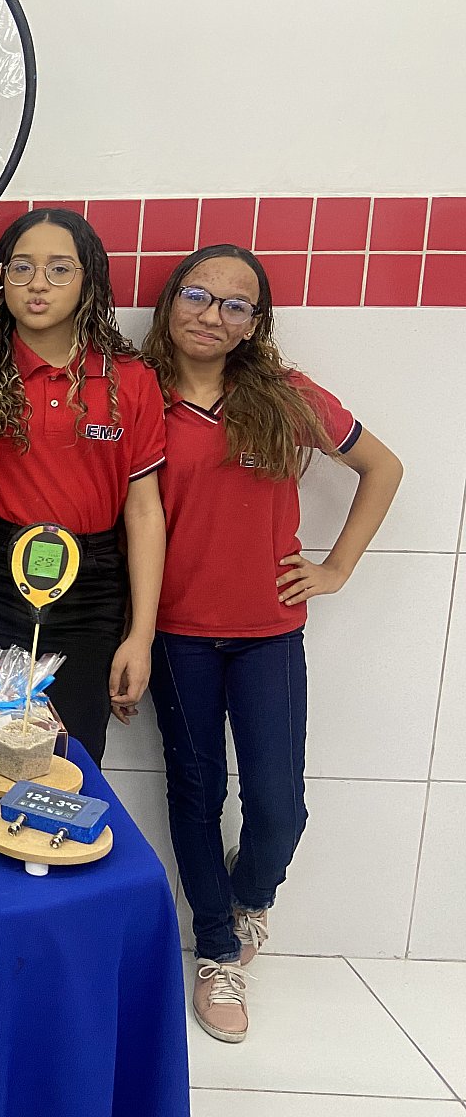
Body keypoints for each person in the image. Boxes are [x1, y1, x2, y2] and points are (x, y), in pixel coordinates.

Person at [141, 246, 401, 1043]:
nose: (212, 315)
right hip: (176, 634)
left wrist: (336, 568)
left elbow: (383, 467)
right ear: (170, 301)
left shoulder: (285, 396)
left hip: (269, 635)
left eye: (236, 305)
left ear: (255, 324)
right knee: (196, 795)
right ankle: (216, 952)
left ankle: (249, 899)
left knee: (280, 806)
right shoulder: (136, 393)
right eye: (197, 295)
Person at [0, 208, 166, 762]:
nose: (38, 284)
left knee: (70, 759)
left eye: (59, 269)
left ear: (88, 280)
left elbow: (145, 512)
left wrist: (140, 635)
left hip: (91, 590)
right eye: (21, 268)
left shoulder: (129, 378)